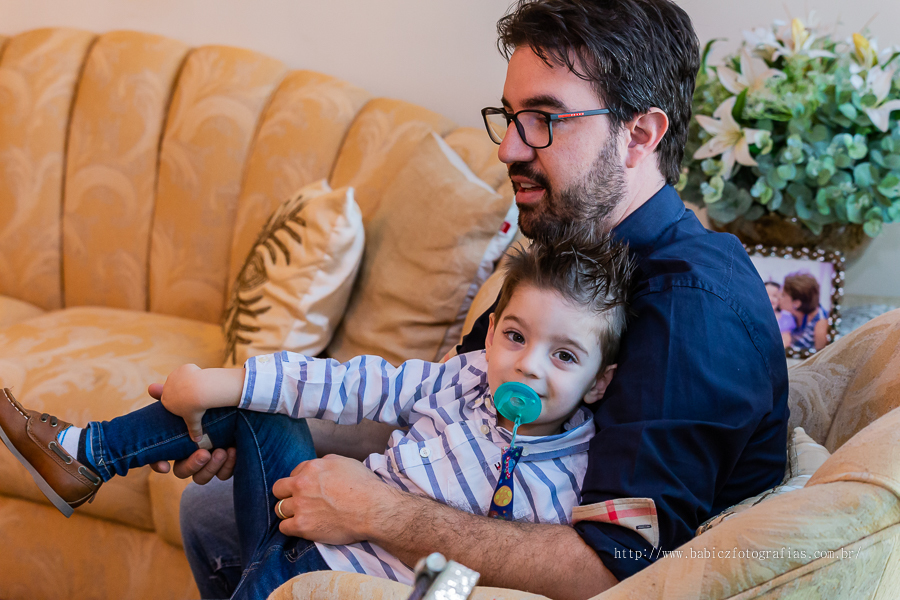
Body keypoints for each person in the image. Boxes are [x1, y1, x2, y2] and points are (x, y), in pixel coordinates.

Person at [164, 1, 790, 599]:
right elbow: (445, 410)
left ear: (639, 135)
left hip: (553, 579)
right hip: (480, 519)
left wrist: (381, 514)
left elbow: (613, 572)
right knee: (213, 508)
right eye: (510, 117)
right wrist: (260, 418)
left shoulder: (693, 310)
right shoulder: (564, 261)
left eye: (544, 119)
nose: (509, 149)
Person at [0, 233, 633, 600]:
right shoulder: (461, 379)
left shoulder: (564, 483)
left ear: (599, 381)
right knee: (262, 404)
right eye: (516, 337)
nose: (528, 367)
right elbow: (353, 383)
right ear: (491, 332)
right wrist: (217, 379)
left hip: (337, 589)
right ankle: (85, 453)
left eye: (565, 355)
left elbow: (482, 587)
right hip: (300, 532)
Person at [779, 272, 828, 351]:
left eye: (783, 295)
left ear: (796, 303)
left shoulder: (821, 324)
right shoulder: (792, 315)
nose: (779, 297)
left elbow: (821, 359)